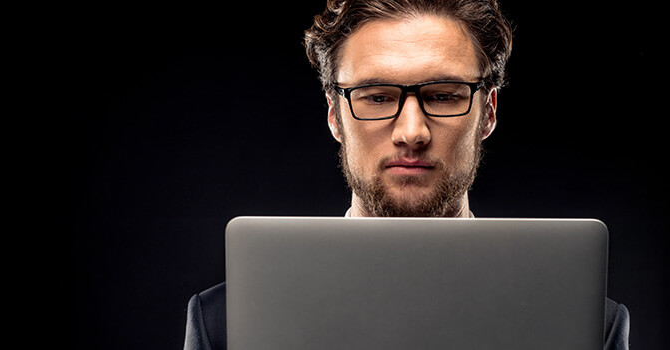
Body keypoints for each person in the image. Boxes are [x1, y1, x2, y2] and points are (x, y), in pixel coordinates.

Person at [183, 0, 630, 349]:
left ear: (488, 112)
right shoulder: (223, 321)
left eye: (443, 95)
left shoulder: (588, 322)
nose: (411, 133)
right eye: (376, 97)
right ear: (335, 116)